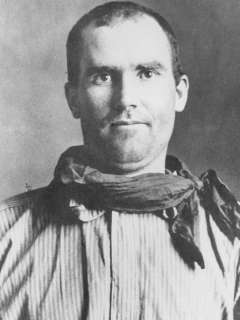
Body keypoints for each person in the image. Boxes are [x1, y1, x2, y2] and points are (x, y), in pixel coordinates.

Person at [0, 1, 240, 319]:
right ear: (73, 98)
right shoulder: (6, 238)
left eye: (147, 73)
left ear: (179, 93)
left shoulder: (231, 241)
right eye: (103, 77)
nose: (126, 98)